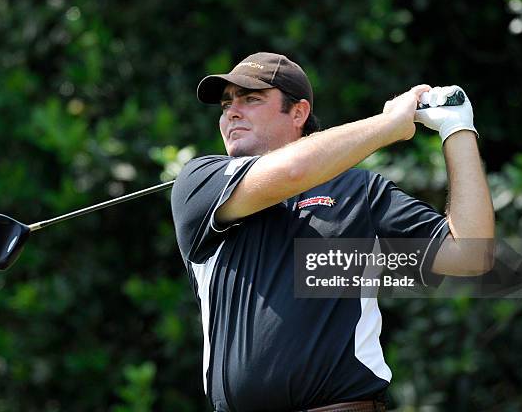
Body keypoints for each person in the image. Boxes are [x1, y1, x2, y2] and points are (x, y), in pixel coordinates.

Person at [171, 52, 494, 412]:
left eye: (251, 99)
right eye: (227, 103)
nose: (231, 112)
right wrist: (388, 125)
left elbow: (470, 253)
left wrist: (458, 130)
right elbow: (293, 171)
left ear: (298, 113)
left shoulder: (358, 191)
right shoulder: (199, 183)